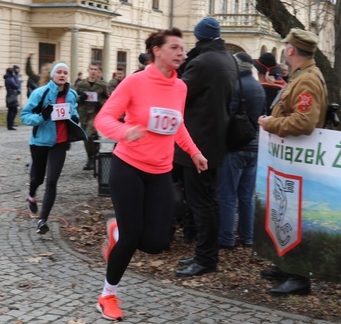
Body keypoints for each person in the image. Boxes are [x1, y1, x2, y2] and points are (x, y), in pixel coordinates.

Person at [93, 28, 208, 321]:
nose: (182, 53)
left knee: (157, 243)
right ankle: (108, 295)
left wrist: (194, 152)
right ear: (157, 50)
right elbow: (103, 118)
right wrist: (124, 132)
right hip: (128, 166)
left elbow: (178, 124)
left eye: (183, 48)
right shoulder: (135, 82)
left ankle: (115, 230)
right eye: (175, 47)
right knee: (131, 238)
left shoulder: (180, 87)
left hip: (160, 171)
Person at [258, 28, 327, 296]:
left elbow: (304, 121)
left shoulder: (308, 79)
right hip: (290, 159)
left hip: (300, 160)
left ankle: (299, 277)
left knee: (297, 215)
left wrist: (269, 123)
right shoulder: (302, 76)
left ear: (290, 51)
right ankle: (286, 266)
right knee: (286, 213)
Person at [174, 17, 237, 278]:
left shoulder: (201, 62)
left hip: (196, 145)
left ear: (199, 37)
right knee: (208, 201)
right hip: (215, 142)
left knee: (202, 204)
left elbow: (178, 93)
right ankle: (204, 253)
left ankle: (206, 259)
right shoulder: (228, 59)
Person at [20, 62, 85, 235]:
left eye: (65, 72)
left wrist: (75, 118)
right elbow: (24, 116)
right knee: (38, 179)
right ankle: (31, 194)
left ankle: (43, 220)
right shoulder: (40, 93)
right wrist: (42, 116)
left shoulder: (71, 94)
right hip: (40, 142)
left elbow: (73, 112)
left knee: (52, 181)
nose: (62, 75)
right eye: (59, 72)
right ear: (52, 75)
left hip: (60, 143)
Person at [217, 52, 265, 250]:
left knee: (228, 195)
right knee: (246, 196)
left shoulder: (235, 86)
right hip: (255, 146)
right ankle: (248, 237)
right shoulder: (258, 87)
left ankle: (226, 239)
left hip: (236, 147)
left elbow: (228, 117)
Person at [75, 61, 110, 171]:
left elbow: (109, 98)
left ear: (98, 71)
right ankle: (91, 155)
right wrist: (80, 98)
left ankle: (92, 158)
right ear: (88, 70)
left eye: (95, 69)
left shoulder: (103, 85)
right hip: (83, 114)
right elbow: (72, 96)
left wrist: (102, 102)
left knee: (89, 135)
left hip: (95, 114)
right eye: (91, 69)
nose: (93, 71)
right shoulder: (81, 84)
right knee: (85, 137)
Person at [4, 66, 21, 130]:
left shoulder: (7, 78)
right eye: (13, 72)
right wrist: (17, 81)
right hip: (12, 96)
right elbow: (16, 86)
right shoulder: (10, 79)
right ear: (11, 72)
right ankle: (10, 125)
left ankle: (9, 125)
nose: (14, 73)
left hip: (9, 95)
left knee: (10, 110)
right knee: (14, 110)